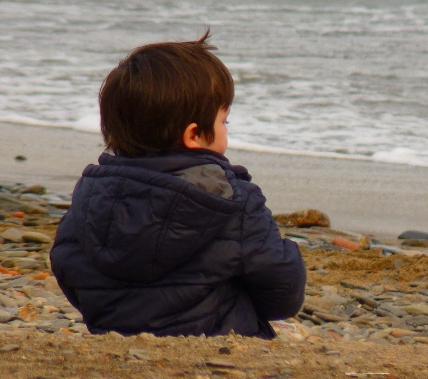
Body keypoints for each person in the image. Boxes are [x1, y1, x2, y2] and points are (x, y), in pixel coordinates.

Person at [50, 32, 306, 338]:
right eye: (224, 122)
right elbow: (284, 291)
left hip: (114, 334)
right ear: (193, 135)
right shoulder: (232, 202)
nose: (226, 130)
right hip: (217, 341)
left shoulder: (91, 197)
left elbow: (66, 264)